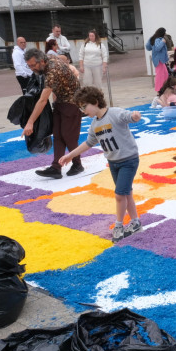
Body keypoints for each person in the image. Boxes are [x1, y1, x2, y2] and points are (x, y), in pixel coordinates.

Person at [59, 86, 144, 242]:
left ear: (95, 102)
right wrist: (70, 155)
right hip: (113, 162)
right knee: (126, 193)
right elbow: (89, 143)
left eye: (84, 107)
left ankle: (119, 225)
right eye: (81, 108)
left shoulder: (114, 113)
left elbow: (128, 116)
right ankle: (135, 222)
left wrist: (135, 116)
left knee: (119, 194)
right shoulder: (94, 124)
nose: (84, 111)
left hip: (128, 160)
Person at [22, 49, 84, 179]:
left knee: (69, 136)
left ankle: (77, 164)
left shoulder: (52, 71)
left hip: (72, 102)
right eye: (29, 65)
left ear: (42, 61)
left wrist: (30, 122)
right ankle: (56, 167)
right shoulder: (48, 59)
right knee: (57, 135)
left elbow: (43, 100)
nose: (32, 69)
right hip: (60, 101)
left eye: (33, 65)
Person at [145, 27, 170, 93]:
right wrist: (163, 42)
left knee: (165, 74)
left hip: (158, 59)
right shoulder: (159, 39)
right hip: (159, 60)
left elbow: (147, 47)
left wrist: (152, 46)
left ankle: (164, 88)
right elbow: (157, 48)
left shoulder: (153, 38)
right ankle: (159, 89)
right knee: (160, 75)